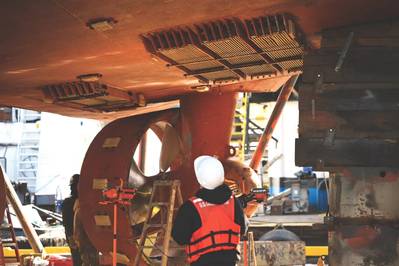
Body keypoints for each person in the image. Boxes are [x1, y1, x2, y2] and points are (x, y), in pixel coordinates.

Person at [172, 155, 247, 266]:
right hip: (230, 262)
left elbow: (179, 237)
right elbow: (243, 228)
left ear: (199, 178)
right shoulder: (233, 202)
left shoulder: (191, 207)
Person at [61, 174, 82, 266]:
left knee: (77, 260)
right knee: (79, 259)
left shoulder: (68, 202)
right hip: (77, 236)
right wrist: (71, 237)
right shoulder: (72, 202)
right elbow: (66, 223)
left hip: (75, 235)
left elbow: (65, 223)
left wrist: (70, 236)